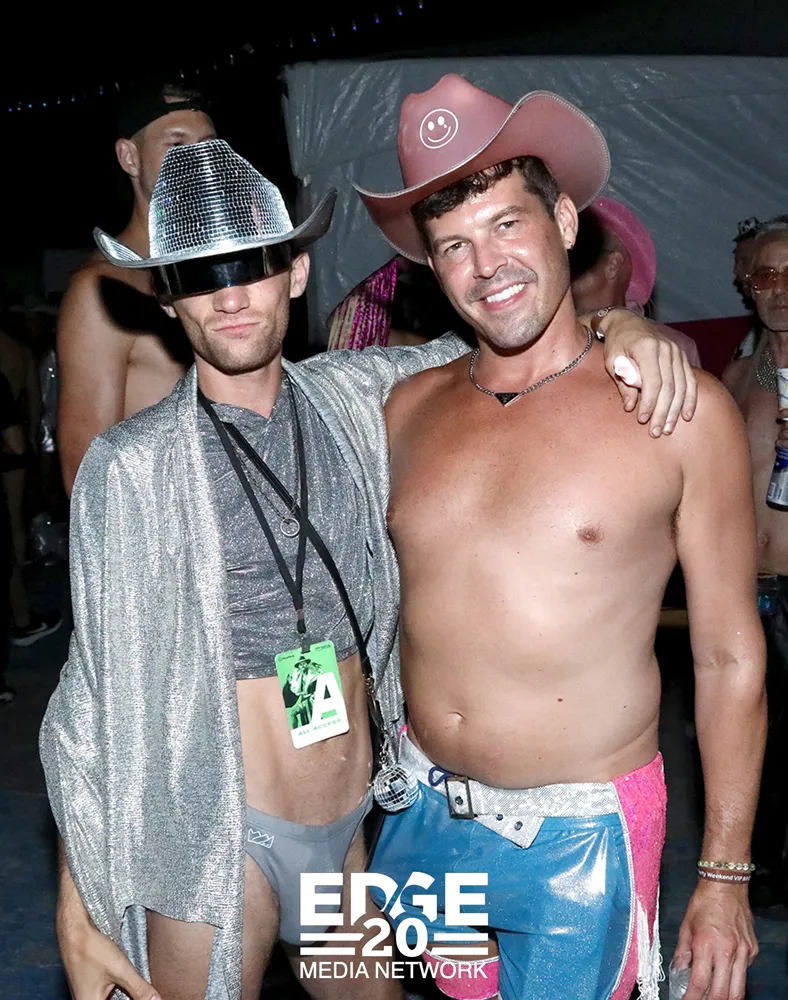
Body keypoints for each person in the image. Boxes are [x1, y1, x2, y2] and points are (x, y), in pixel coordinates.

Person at [41, 139, 696, 1000]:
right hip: (216, 843)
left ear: (296, 273)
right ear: (167, 297)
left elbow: (520, 337)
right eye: (199, 276)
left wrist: (623, 327)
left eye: (251, 265)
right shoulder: (131, 468)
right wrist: (78, 910)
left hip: (352, 838)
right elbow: (95, 693)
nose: (230, 296)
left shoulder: (364, 398)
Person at [356, 74, 765, 1000]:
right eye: (454, 245)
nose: (486, 265)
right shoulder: (402, 408)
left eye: (508, 224)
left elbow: (730, 655)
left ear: (567, 222)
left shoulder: (679, 411)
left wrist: (724, 877)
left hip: (582, 832)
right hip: (420, 809)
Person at [56, 81, 216, 494]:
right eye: (176, 146)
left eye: (209, 148)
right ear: (130, 157)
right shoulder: (101, 289)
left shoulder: (220, 275)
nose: (199, 163)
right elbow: (85, 482)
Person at [728, 217, 788, 908]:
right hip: (752, 590)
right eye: (766, 274)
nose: (778, 289)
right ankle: (761, 867)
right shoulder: (741, 377)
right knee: (757, 737)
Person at [571, 195, 702, 367]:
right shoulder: (550, 339)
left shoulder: (673, 346)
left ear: (613, 264)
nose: (563, 258)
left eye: (576, 251)